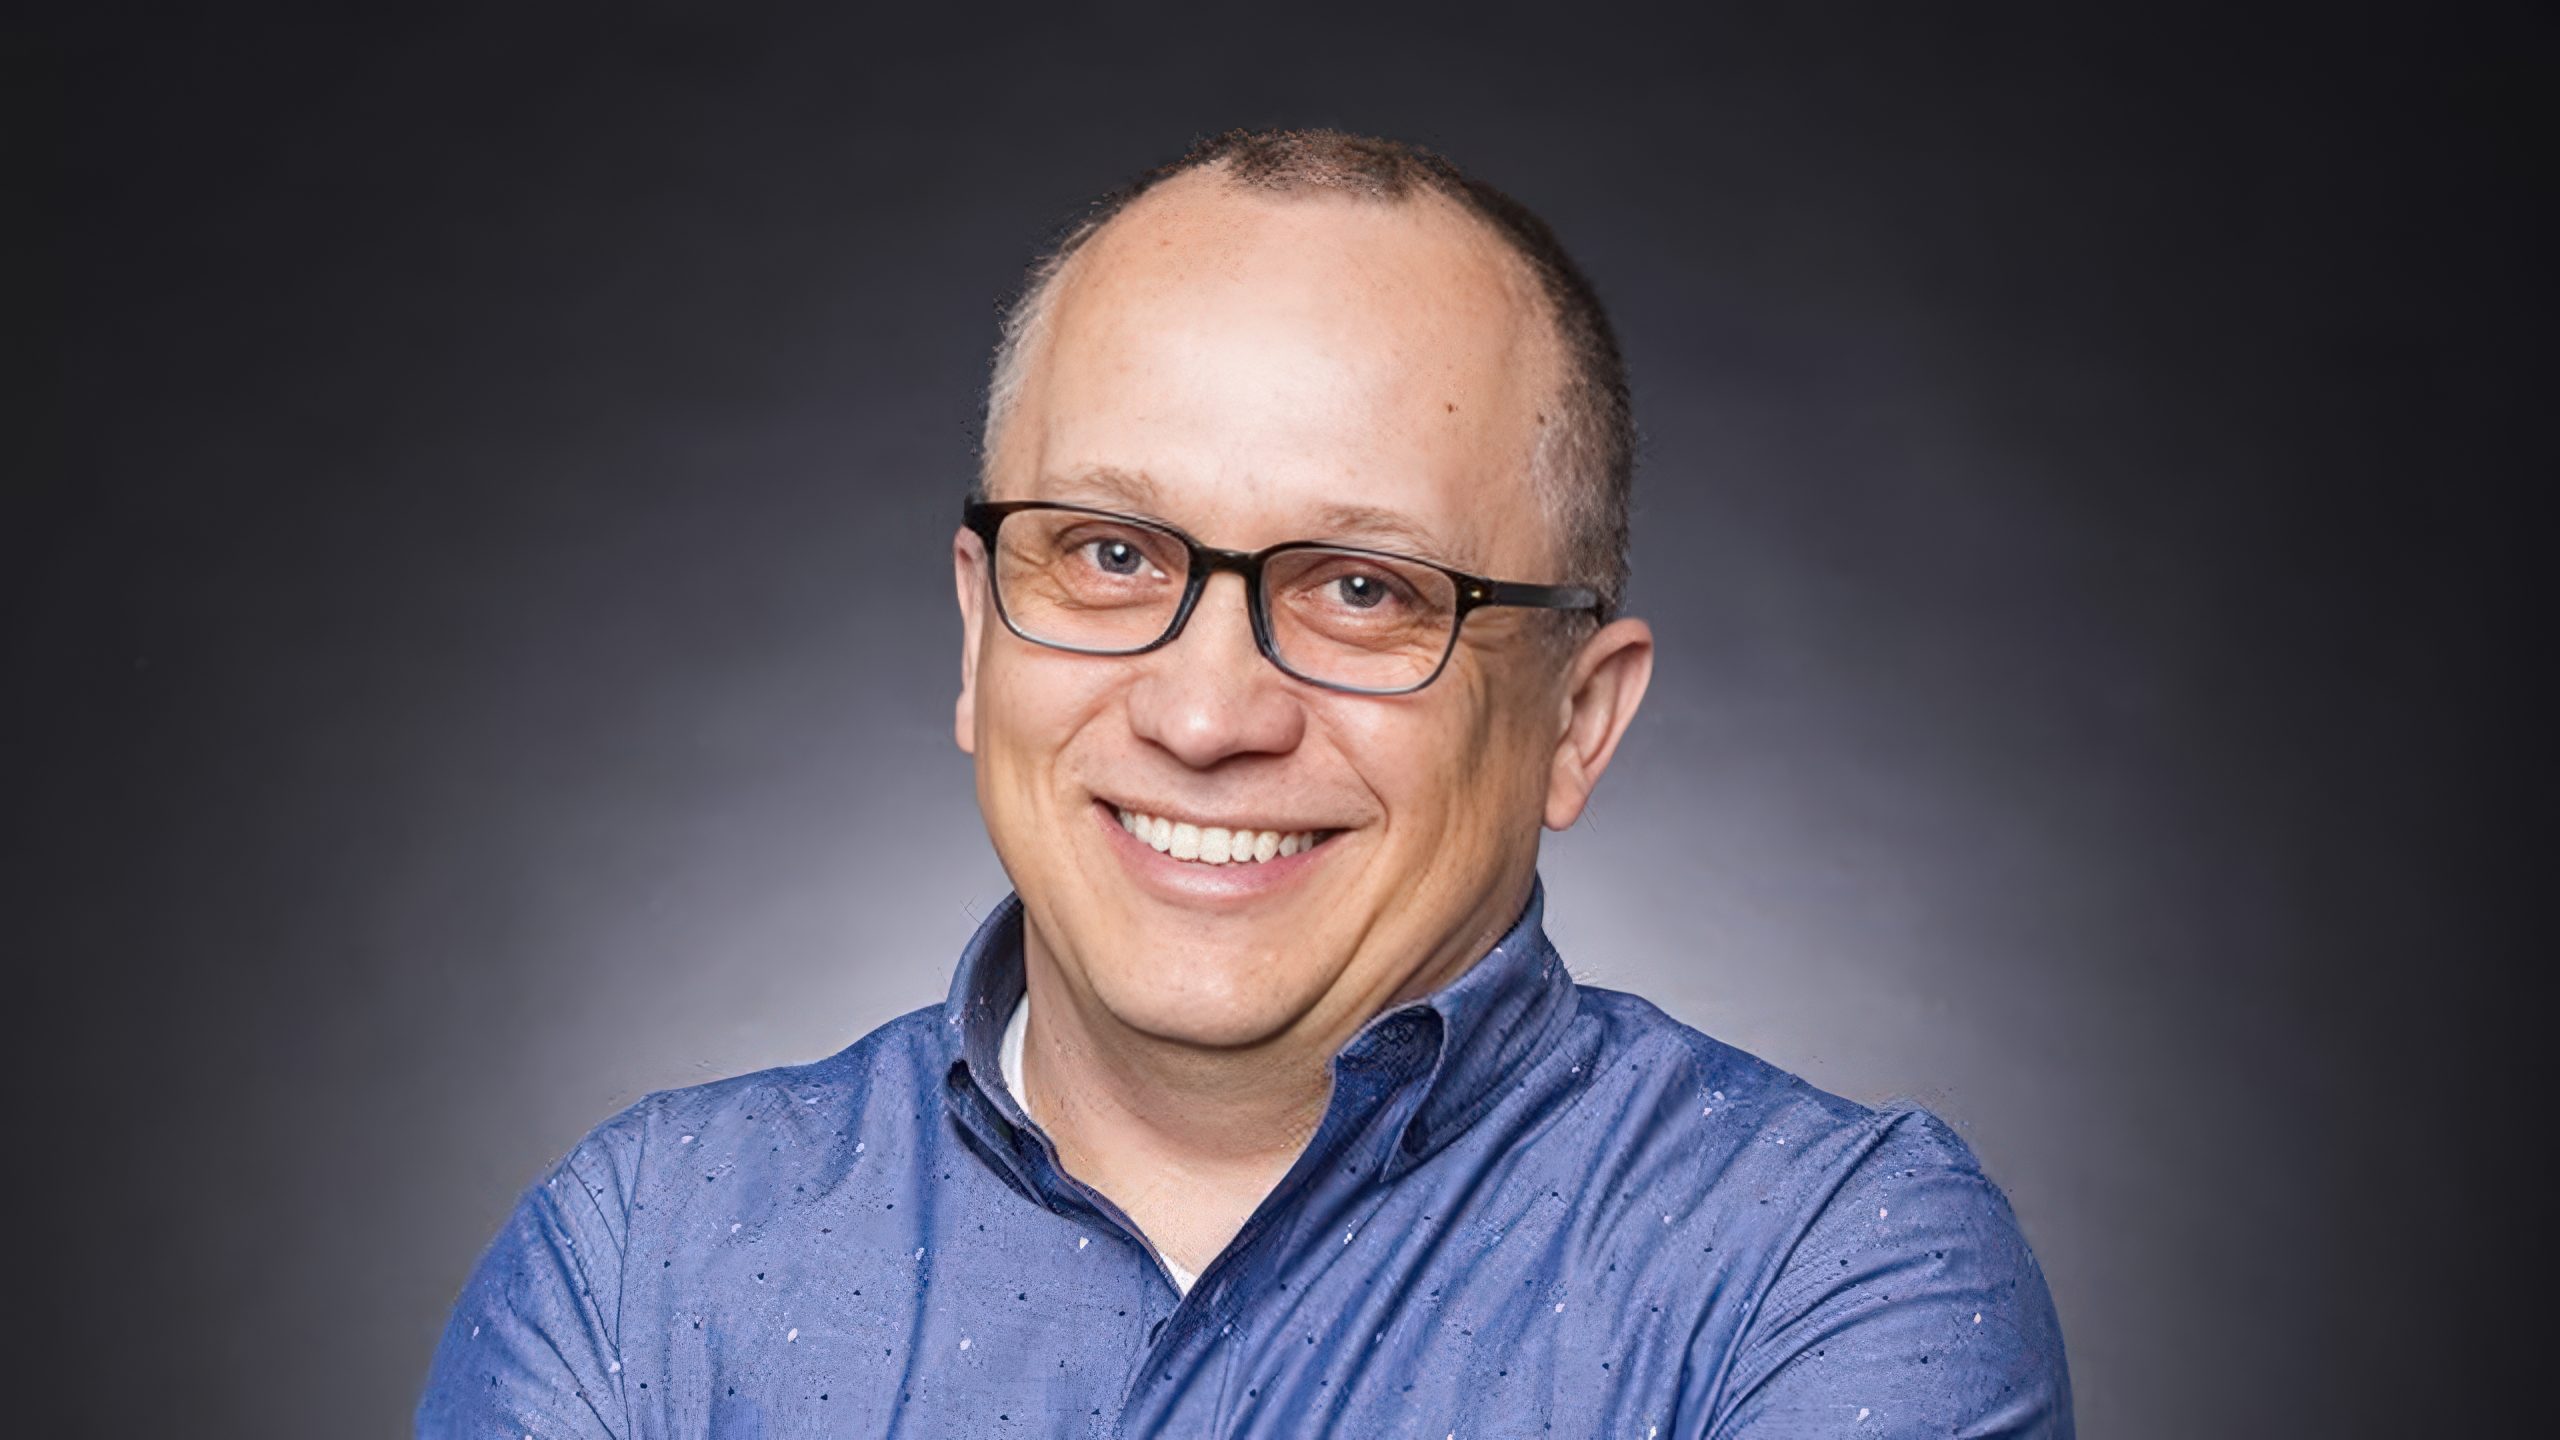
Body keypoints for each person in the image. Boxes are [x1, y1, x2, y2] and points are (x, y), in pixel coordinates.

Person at [419, 128, 2072, 1438]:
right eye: (1111, 552)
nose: (1208, 712)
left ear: (1579, 717)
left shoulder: (1826, 1272)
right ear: (978, 633)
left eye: (1363, 586)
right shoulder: (645, 1257)